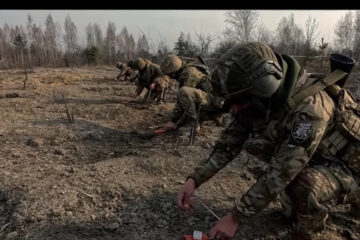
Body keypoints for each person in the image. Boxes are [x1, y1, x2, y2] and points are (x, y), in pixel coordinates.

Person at [176, 42, 360, 240]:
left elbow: (282, 172)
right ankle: (298, 206)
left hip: (349, 170)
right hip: (320, 157)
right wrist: (194, 180)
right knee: (263, 155)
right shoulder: (261, 98)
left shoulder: (311, 110)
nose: (235, 110)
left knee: (303, 184)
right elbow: (229, 144)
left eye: (239, 103)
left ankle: (308, 233)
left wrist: (236, 217)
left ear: (265, 88)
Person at [160, 54, 225, 134]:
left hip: (213, 101)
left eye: (170, 75)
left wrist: (173, 121)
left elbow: (184, 98)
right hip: (209, 99)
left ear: (174, 71)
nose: (170, 77)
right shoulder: (186, 69)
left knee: (183, 91)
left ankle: (193, 125)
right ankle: (212, 115)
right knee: (181, 121)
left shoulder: (189, 72)